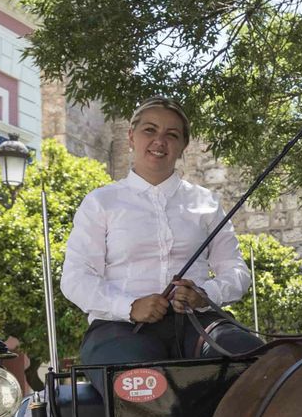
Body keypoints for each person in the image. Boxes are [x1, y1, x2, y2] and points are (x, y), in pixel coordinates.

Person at [62, 98, 261, 365]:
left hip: (199, 323)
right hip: (119, 328)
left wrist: (204, 294)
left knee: (256, 361)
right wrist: (130, 306)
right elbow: (76, 278)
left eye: (172, 135)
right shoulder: (101, 202)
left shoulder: (207, 203)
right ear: (131, 137)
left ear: (182, 146)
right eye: (150, 130)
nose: (159, 141)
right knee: (144, 383)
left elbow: (236, 272)